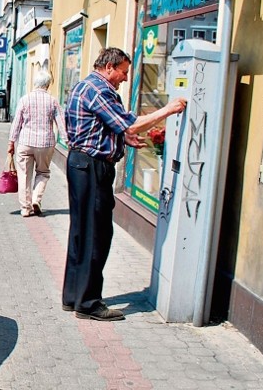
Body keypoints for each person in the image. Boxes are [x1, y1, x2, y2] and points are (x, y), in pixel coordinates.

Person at [62, 47, 187, 321]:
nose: (125, 78)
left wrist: (121, 139)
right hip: (93, 168)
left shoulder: (84, 86)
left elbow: (98, 126)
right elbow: (130, 124)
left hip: (79, 163)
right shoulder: (101, 90)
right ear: (109, 67)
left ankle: (73, 296)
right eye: (123, 72)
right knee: (97, 235)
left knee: (81, 232)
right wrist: (169, 110)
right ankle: (89, 303)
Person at [7, 69, 66, 217]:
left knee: (24, 175)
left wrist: (11, 142)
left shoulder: (24, 99)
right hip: (45, 144)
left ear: (35, 83)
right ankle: (36, 199)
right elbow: (61, 124)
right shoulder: (52, 101)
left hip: (26, 143)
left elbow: (16, 123)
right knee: (43, 173)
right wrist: (68, 142)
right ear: (48, 84)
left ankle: (25, 209)